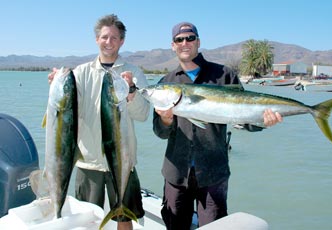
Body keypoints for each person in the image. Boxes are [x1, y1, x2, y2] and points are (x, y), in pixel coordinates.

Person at [152, 22, 283, 229]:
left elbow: (243, 118)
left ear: (198, 42)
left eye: (190, 38)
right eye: (179, 39)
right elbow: (159, 132)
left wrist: (262, 121)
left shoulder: (224, 75)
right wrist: (166, 120)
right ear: (173, 45)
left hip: (213, 173)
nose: (185, 43)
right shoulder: (165, 83)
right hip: (176, 173)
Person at [48, 14, 150, 230]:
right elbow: (69, 112)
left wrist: (131, 92)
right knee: (86, 223)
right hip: (87, 162)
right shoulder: (80, 73)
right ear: (96, 39)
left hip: (123, 161)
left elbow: (142, 115)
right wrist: (56, 84)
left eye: (115, 37)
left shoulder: (134, 72)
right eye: (104, 37)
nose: (109, 42)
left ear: (122, 41)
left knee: (124, 220)